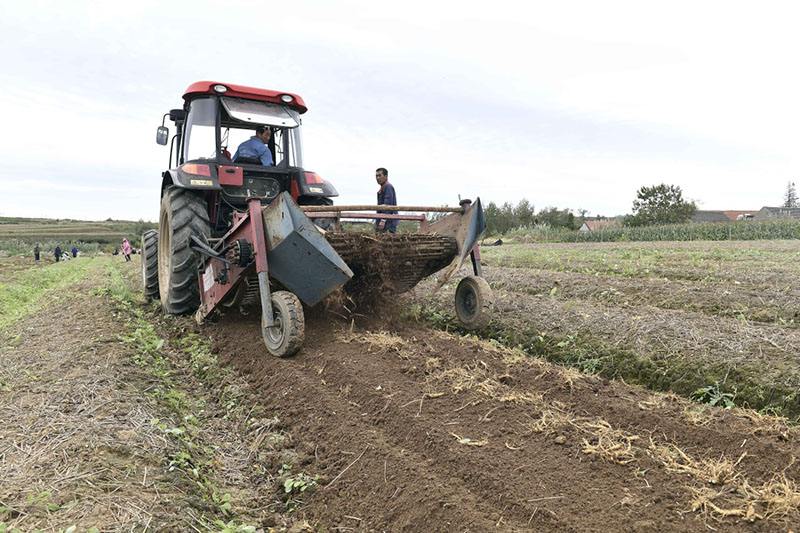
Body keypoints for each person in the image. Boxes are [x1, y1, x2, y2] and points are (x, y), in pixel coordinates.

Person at [375, 167, 398, 233]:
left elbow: (387, 205)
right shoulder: (383, 187)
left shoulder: (388, 187)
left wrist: (383, 220)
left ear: (386, 176)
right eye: (376, 176)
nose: (378, 178)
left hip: (388, 222)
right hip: (385, 220)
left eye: (380, 175)